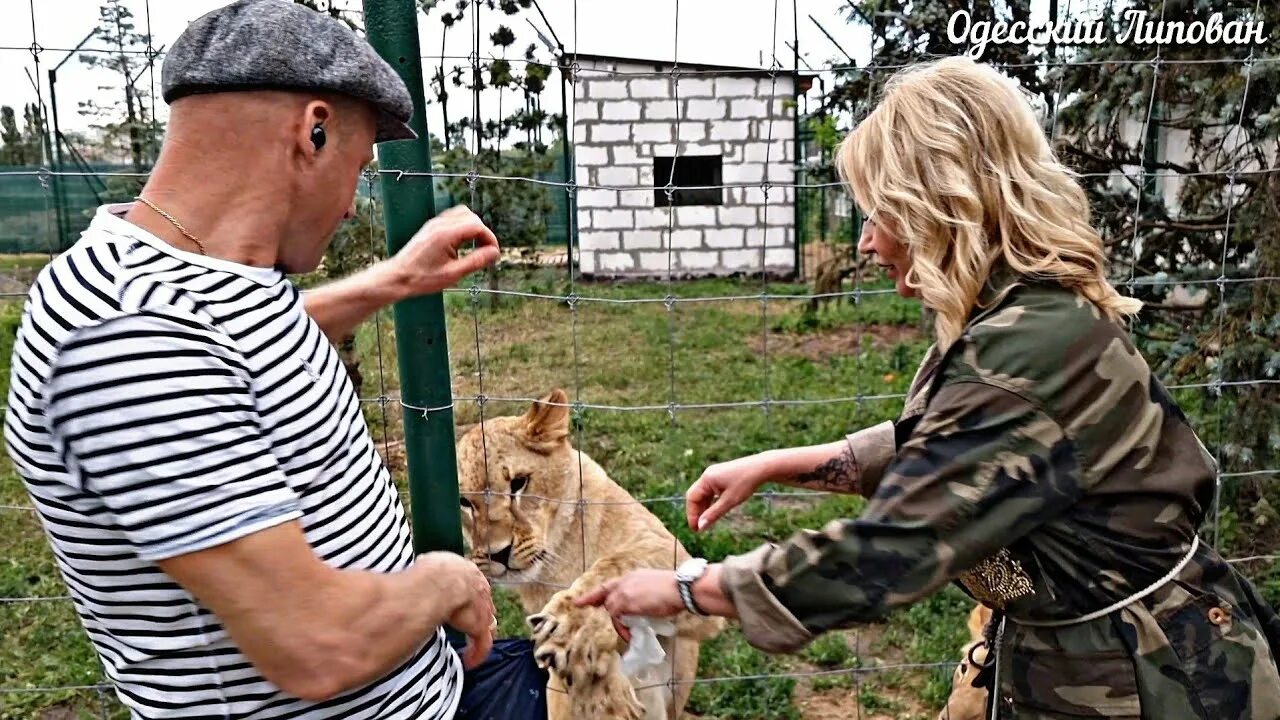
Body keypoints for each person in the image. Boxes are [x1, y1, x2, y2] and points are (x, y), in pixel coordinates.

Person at [578, 56, 1280, 719]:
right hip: (1104, 659)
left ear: (943, 206)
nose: (865, 242)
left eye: (880, 212)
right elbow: (966, 446)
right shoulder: (1027, 317)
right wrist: (778, 464)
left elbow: (892, 549)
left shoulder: (1030, 345)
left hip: (1156, 682)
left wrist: (688, 587)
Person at [4, 2, 548, 718]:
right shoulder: (130, 331)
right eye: (358, 168)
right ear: (312, 130)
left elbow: (241, 350)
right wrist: (448, 582)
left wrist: (395, 280)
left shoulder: (186, 278)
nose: (353, 205)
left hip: (427, 685)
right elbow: (317, 645)